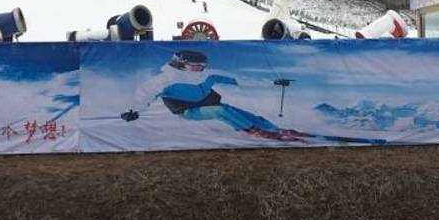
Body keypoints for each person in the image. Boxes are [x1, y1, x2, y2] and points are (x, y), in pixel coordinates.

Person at [121, 51, 385, 145]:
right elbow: (145, 93)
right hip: (188, 112)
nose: (201, 69)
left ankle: (273, 129)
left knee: (244, 113)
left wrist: (272, 82)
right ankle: (253, 132)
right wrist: (134, 110)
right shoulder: (164, 78)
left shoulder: (207, 74)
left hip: (210, 104)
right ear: (182, 64)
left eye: (203, 65)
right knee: (222, 112)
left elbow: (239, 79)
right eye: (196, 66)